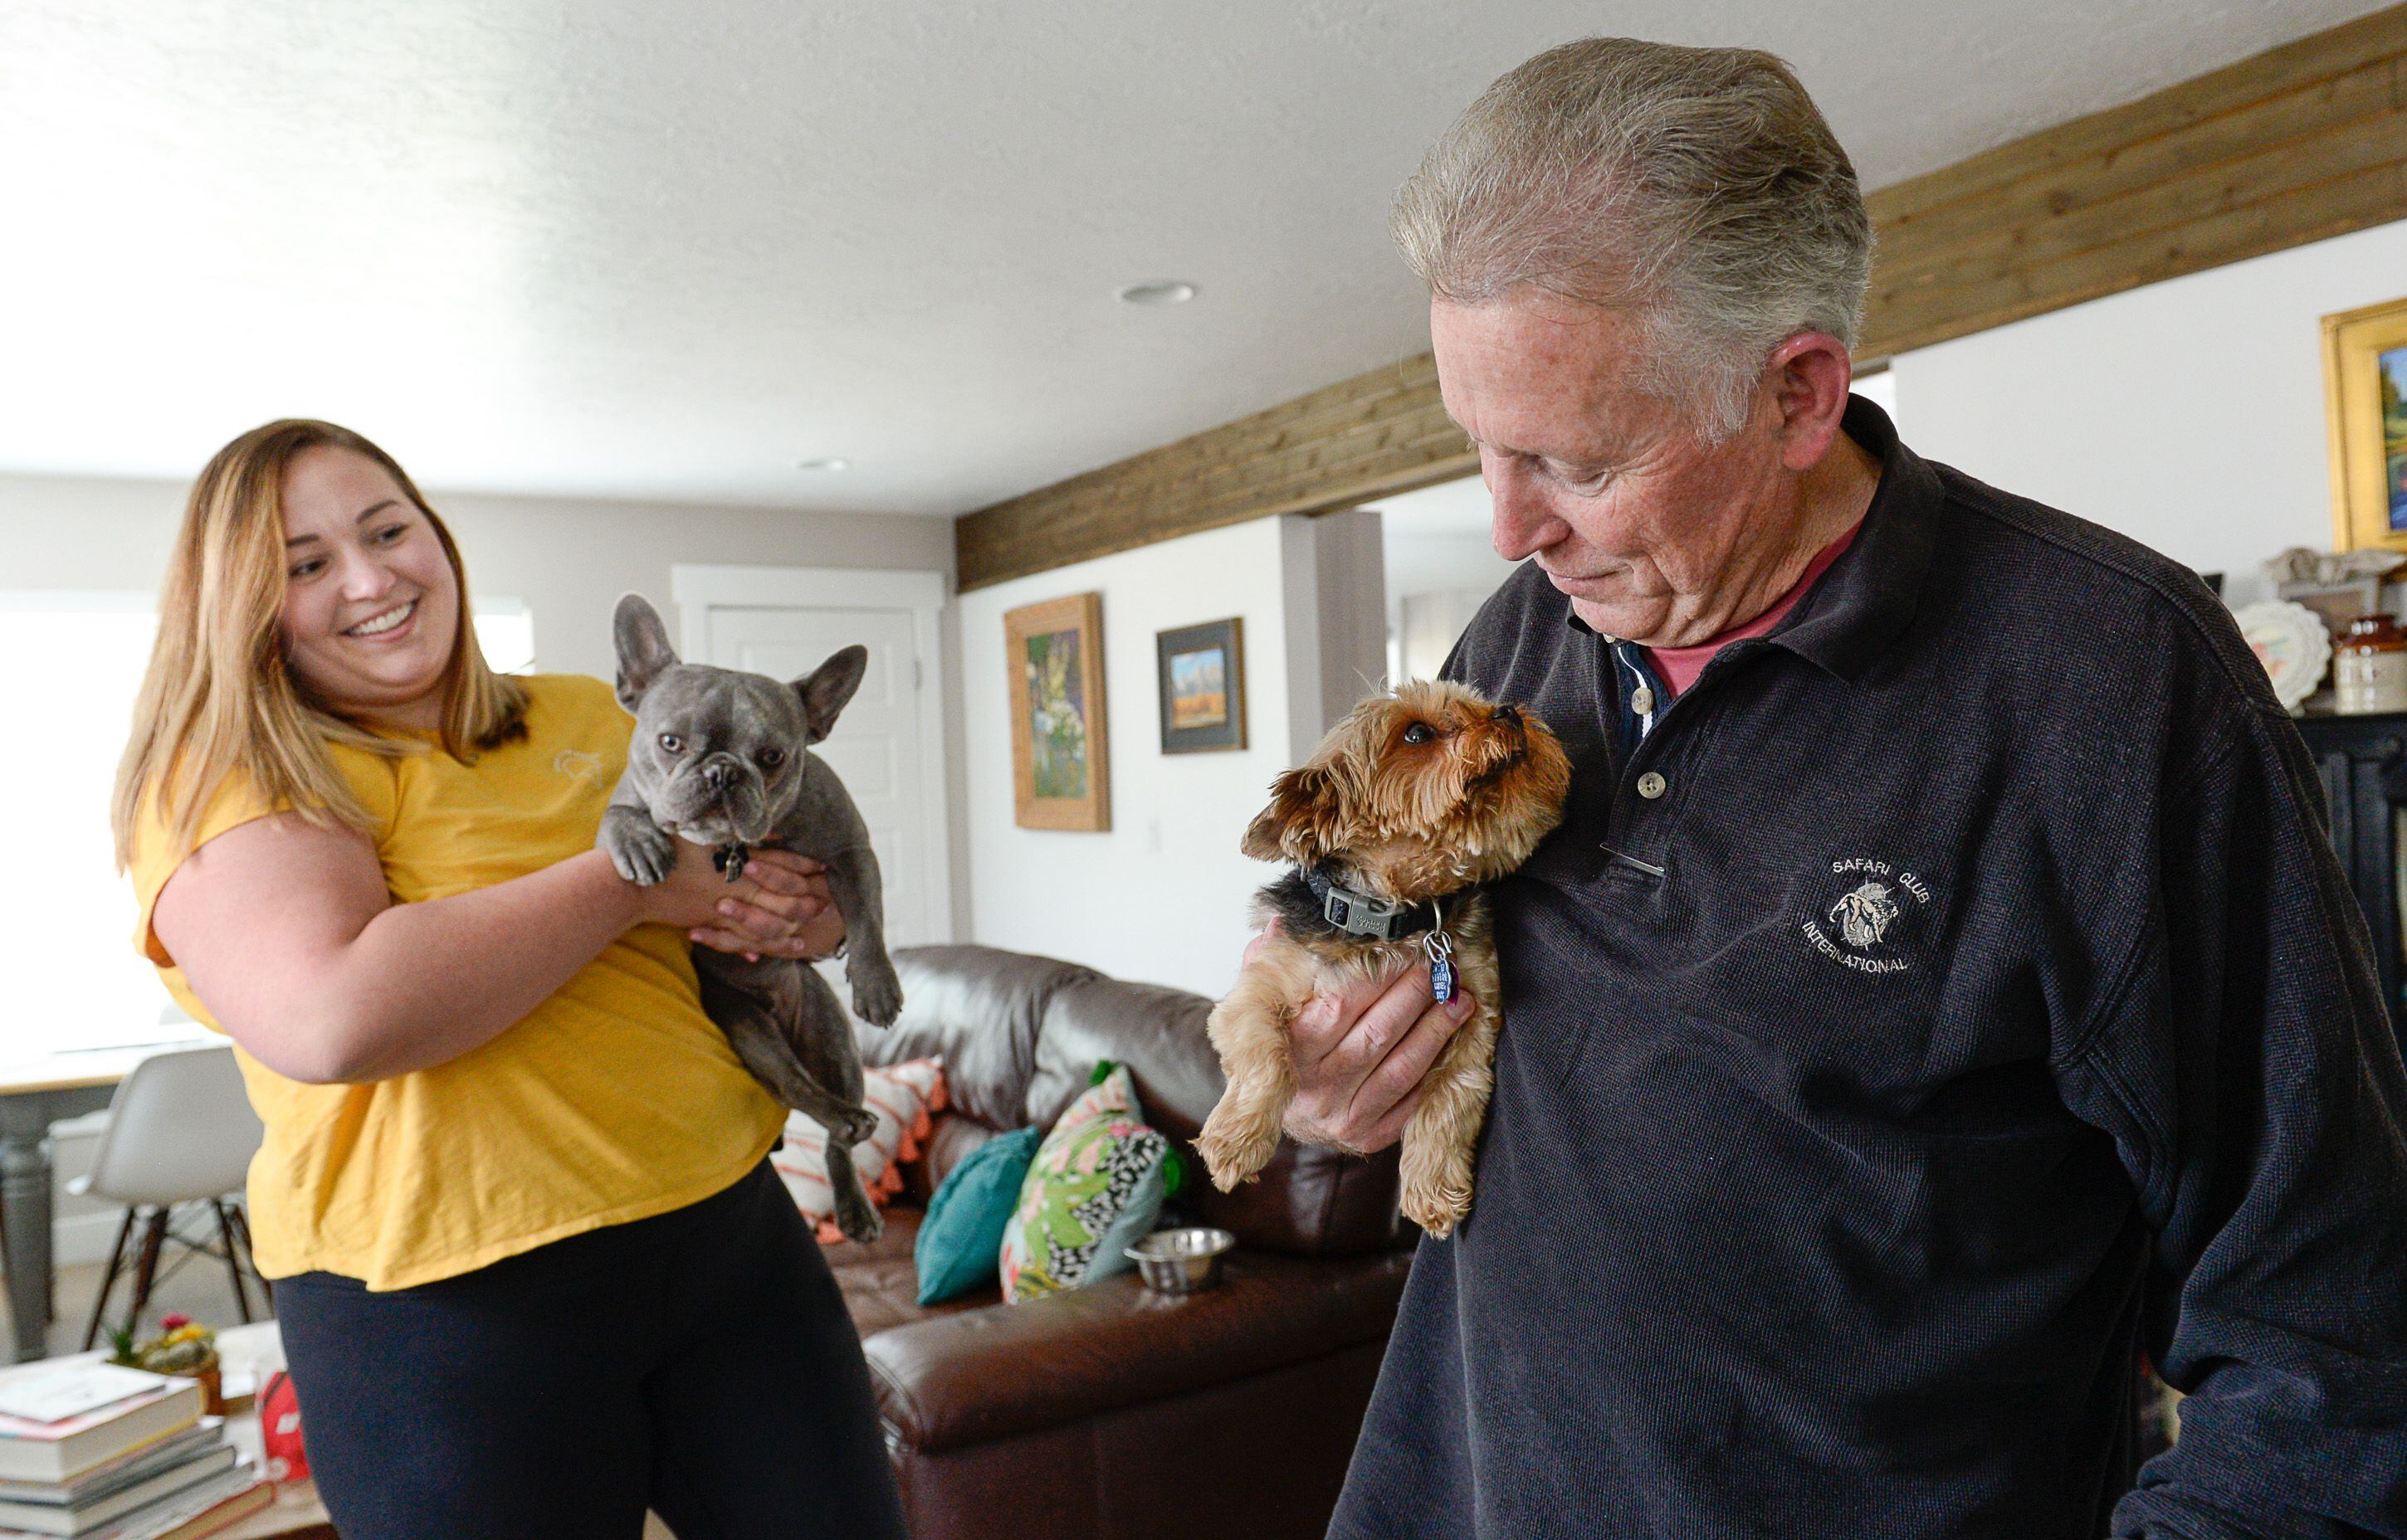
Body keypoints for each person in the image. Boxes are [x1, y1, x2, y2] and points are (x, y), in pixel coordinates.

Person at [1280, 38, 2407, 1539]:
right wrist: (1324, 1069)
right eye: (1477, 447)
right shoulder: (1530, 635)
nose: (1507, 527)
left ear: (1798, 394)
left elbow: (2331, 1338)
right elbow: (1354, 933)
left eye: (1575, 460)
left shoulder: (2114, 686)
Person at [111, 419, 910, 1540]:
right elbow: (332, 1015)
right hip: (446, 1306)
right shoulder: (233, 775)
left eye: (390, 530)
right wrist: (633, 885)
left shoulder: (595, 712)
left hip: (729, 1238)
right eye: (307, 562)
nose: (373, 576)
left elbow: (761, 875)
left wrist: (809, 916)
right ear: (239, 601)